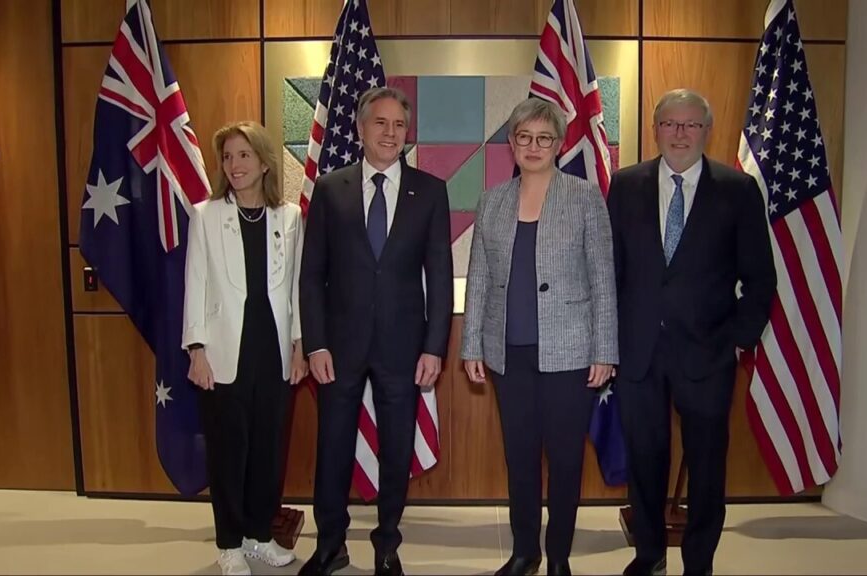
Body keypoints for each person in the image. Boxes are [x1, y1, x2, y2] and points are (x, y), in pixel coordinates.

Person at [607, 89, 777, 576]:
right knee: (645, 464)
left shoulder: (738, 190)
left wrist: (738, 339)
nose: (680, 134)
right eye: (670, 124)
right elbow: (611, 271)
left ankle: (698, 563)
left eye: (691, 125)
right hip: (638, 354)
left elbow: (762, 278)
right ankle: (649, 557)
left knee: (706, 469)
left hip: (708, 355)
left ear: (707, 131)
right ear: (656, 129)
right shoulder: (625, 185)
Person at [298, 87, 454, 576]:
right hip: (338, 348)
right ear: (360, 129)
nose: (390, 133)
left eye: (399, 126)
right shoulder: (329, 188)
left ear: (407, 134)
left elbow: (441, 277)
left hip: (404, 348)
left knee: (394, 450)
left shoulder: (430, 191)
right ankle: (330, 544)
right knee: (334, 448)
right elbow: (311, 274)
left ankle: (387, 543)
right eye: (380, 123)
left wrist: (435, 348)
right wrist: (316, 341)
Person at [461, 98, 618, 576]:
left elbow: (603, 276)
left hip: (571, 353)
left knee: (567, 460)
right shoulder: (493, 199)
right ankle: (525, 551)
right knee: (520, 458)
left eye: (543, 138)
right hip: (509, 354)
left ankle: (560, 557)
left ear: (559, 143)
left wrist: (604, 350)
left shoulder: (584, 196)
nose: (533, 146)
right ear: (511, 143)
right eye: (523, 137)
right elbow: (481, 277)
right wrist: (471, 344)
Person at [182, 120, 309, 576]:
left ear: (263, 163)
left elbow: (297, 287)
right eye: (228, 157)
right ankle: (229, 542)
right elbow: (195, 282)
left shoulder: (289, 217)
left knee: (267, 450)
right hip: (222, 352)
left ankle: (258, 535)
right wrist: (196, 348)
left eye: (243, 156)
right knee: (228, 452)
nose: (235, 165)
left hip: (272, 352)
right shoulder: (205, 214)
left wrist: (300, 345)